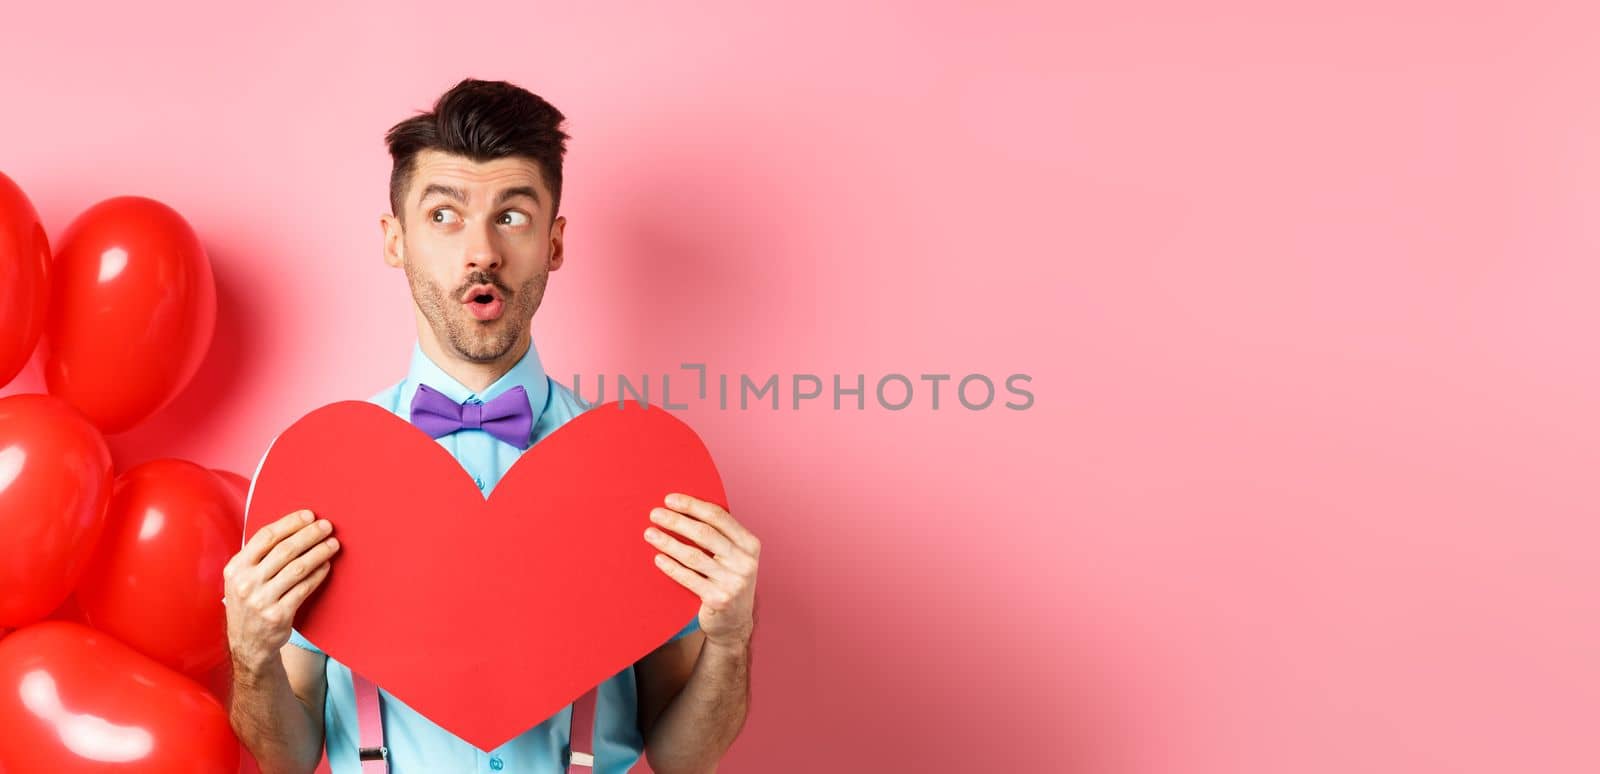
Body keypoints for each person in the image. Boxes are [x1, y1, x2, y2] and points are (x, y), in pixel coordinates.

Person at [222, 78, 759, 773]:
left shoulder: (642, 471)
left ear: (554, 243)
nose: (481, 252)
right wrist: (250, 655)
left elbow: (686, 759)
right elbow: (285, 758)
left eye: (512, 217)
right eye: (444, 215)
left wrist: (732, 639)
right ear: (395, 240)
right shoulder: (317, 468)